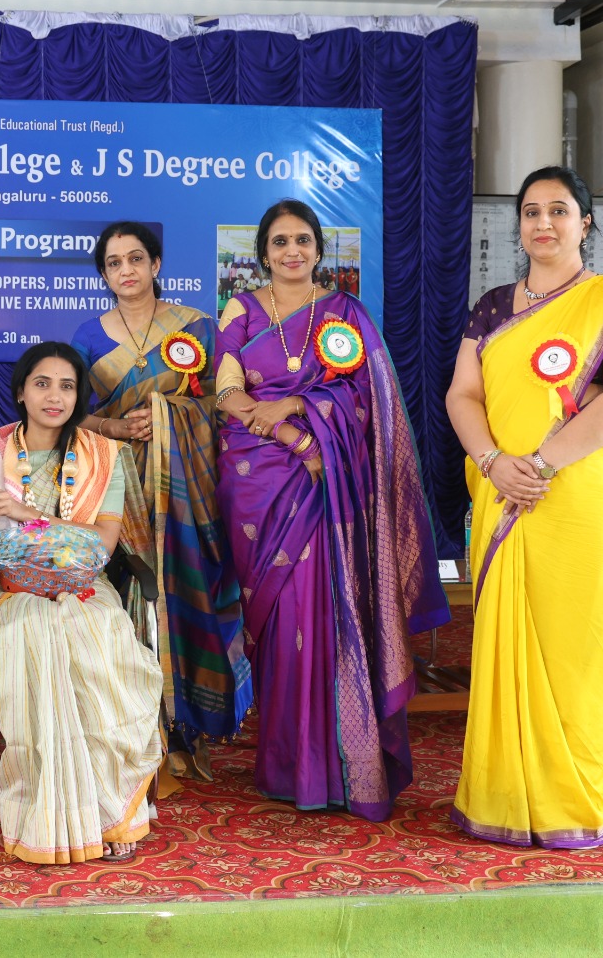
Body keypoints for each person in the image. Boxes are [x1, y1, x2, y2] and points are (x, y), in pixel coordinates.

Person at [446, 166, 603, 849]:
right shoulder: (492, 307)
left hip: (588, 500)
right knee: (505, 647)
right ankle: (501, 797)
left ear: (585, 222)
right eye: (530, 212)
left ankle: (581, 801)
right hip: (505, 491)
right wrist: (494, 461)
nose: (543, 223)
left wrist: (542, 464)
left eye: (558, 210)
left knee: (584, 653)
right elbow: (463, 395)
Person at [214, 200, 448, 821]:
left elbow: (367, 398)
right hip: (259, 478)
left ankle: (345, 764)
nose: (292, 251)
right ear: (263, 253)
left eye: (303, 240)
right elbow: (227, 391)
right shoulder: (241, 309)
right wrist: (292, 437)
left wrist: (298, 409)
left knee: (329, 608)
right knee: (279, 621)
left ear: (319, 249)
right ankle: (286, 763)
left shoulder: (345, 313)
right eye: (280, 242)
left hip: (332, 479)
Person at [0, 343, 162, 863]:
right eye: (42, 384)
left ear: (78, 397)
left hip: (83, 585)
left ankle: (108, 813)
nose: (54, 396)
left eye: (67, 386)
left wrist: (28, 515)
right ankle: (48, 816)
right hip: (6, 590)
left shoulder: (103, 456)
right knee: (40, 632)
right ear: (21, 392)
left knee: (89, 633)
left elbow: (102, 546)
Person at [69, 221, 249, 781]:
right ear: (104, 274)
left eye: (136, 259)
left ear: (156, 265)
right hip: (120, 493)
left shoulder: (195, 326)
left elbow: (224, 401)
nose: (126, 270)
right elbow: (70, 414)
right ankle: (136, 727)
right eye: (114, 262)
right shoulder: (89, 336)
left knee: (186, 591)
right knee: (131, 600)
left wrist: (171, 415)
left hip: (188, 490)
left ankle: (188, 729)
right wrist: (117, 429)